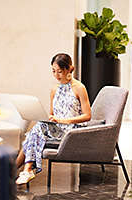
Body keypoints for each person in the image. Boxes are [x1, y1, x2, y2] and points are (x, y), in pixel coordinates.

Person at [16, 53, 91, 184]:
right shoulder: (54, 89)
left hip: (73, 131)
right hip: (57, 129)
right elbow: (51, 114)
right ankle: (26, 170)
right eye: (53, 71)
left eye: (60, 72)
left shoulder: (79, 88)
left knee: (34, 132)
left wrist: (64, 121)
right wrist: (50, 118)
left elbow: (87, 116)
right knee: (38, 128)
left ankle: (15, 171)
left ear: (70, 69)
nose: (56, 75)